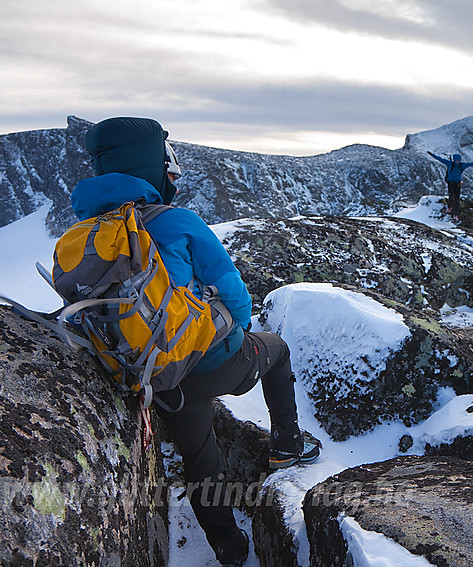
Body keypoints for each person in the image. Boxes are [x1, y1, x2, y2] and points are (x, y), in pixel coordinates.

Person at [73, 117, 319, 567]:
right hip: (209, 361)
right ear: (153, 167)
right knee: (277, 351)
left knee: (201, 458)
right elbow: (234, 294)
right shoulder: (179, 222)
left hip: (153, 374)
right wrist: (235, 337)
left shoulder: (90, 235)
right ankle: (287, 445)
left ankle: (228, 546)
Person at [427, 151, 473, 216]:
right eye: (456, 160)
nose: (457, 161)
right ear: (454, 160)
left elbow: (471, 164)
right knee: (451, 195)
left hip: (458, 183)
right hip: (451, 182)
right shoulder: (450, 164)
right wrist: (432, 155)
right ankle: (450, 207)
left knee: (457, 198)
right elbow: (440, 159)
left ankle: (456, 213)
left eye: (458, 160)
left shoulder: (462, 165)